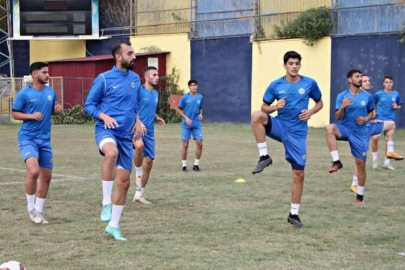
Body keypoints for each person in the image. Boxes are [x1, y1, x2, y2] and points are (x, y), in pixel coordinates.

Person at [251, 51, 323, 229]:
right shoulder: (276, 85)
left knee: (299, 174)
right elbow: (264, 108)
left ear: (300, 65)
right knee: (256, 116)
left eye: (297, 63)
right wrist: (275, 106)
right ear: (284, 65)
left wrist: (311, 112)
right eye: (291, 63)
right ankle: (264, 157)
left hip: (298, 134)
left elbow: (319, 102)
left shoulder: (309, 83)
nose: (294, 66)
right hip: (281, 126)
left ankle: (293, 214)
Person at [84, 41, 145, 241]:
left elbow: (134, 105)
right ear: (118, 57)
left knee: (125, 182)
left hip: (126, 135)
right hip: (106, 130)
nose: (134, 56)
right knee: (111, 153)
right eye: (130, 53)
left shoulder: (135, 78)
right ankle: (105, 202)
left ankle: (114, 226)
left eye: (133, 52)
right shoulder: (103, 79)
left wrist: (137, 122)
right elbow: (89, 106)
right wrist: (104, 117)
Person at [12, 62, 63, 224]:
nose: (48, 75)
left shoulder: (50, 92)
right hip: (28, 138)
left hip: (45, 140)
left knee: (47, 176)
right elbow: (15, 114)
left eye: (48, 72)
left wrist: (56, 110)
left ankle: (39, 211)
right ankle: (31, 209)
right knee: (34, 172)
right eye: (44, 72)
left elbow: (51, 111)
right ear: (34, 75)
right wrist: (31, 116)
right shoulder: (24, 94)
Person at [325, 70, 374, 205]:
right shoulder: (342, 96)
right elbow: (338, 117)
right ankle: (336, 161)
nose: (360, 79)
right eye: (357, 77)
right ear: (349, 79)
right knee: (330, 128)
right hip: (345, 128)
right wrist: (343, 106)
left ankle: (360, 196)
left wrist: (365, 118)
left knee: (361, 165)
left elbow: (372, 113)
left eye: (360, 77)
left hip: (359, 133)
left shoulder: (368, 96)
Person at [350, 75, 399, 192]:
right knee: (360, 160)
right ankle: (354, 183)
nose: (368, 83)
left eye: (368, 80)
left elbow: (368, 113)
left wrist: (371, 118)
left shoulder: (367, 96)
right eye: (365, 81)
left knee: (391, 124)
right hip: (360, 131)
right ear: (359, 83)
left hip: (368, 126)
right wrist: (370, 119)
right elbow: (354, 115)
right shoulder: (356, 97)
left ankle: (390, 152)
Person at [133, 66, 166, 204]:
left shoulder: (156, 94)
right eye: (154, 74)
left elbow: (149, 109)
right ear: (146, 77)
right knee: (139, 146)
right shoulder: (139, 91)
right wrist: (139, 123)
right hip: (137, 128)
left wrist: (157, 117)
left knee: (149, 162)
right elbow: (132, 108)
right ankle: (138, 172)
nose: (157, 77)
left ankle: (138, 195)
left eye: (158, 74)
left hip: (150, 131)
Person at [370, 75, 403, 170]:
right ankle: (375, 160)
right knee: (375, 138)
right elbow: (373, 104)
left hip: (390, 120)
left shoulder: (396, 94)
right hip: (379, 119)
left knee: (388, 141)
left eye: (390, 82)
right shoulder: (378, 94)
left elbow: (399, 106)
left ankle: (386, 163)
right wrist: (373, 112)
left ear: (392, 83)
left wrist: (397, 107)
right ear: (383, 84)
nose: (388, 84)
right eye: (387, 82)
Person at [176, 79, 204, 172]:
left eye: (195, 85)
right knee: (185, 144)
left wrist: (201, 114)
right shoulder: (185, 97)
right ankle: (184, 165)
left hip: (196, 124)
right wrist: (186, 118)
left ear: (197, 86)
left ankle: (196, 165)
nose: (193, 87)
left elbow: (200, 108)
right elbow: (179, 109)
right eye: (191, 85)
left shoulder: (200, 97)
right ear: (189, 87)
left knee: (200, 144)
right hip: (186, 124)